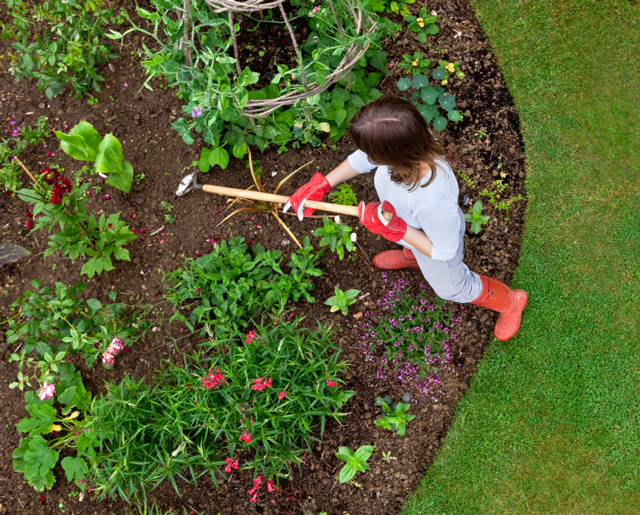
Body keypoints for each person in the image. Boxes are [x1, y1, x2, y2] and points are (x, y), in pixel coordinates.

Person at [283, 96, 527, 341]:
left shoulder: (433, 200)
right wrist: (324, 183)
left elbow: (444, 251)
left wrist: (396, 229)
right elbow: (364, 158)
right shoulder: (411, 139)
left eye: (371, 152)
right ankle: (412, 257)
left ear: (391, 155)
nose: (366, 156)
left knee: (454, 289)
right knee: (413, 243)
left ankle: (511, 303)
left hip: (436, 245)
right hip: (413, 227)